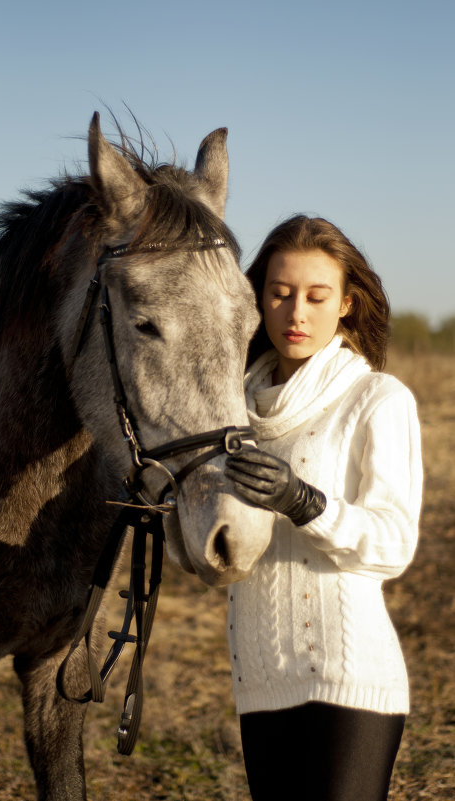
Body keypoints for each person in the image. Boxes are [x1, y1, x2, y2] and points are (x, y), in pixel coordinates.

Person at [224, 215, 422, 801]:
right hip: (259, 680)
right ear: (258, 298)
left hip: (350, 677)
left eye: (316, 296)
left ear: (346, 304)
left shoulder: (377, 399)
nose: (296, 313)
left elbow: (393, 543)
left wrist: (303, 502)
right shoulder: (232, 412)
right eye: (280, 294)